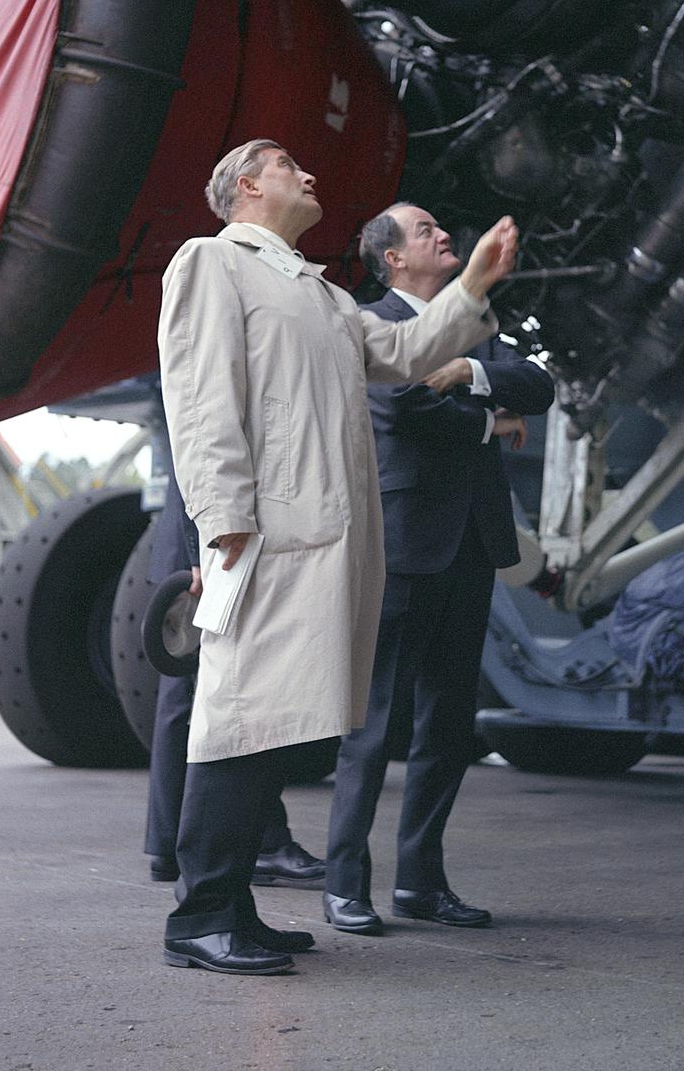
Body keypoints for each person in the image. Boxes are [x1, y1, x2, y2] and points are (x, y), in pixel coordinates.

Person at [157, 139, 518, 976]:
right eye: (288, 164)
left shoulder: (314, 290)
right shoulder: (212, 262)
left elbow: (399, 355)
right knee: (237, 718)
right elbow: (200, 400)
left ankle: (235, 908)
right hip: (261, 533)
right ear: (247, 186)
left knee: (271, 724)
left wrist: (471, 287)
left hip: (310, 538)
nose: (309, 172)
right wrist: (221, 520)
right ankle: (200, 916)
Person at [323, 204, 554, 935]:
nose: (441, 234)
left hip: (470, 544)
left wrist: (472, 373)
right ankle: (344, 884)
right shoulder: (371, 324)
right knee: (373, 722)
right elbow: (401, 409)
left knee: (448, 726)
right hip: (404, 541)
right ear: (391, 259)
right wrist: (492, 420)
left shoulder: (475, 317)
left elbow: (539, 385)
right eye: (423, 231)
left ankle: (420, 883)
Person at [143, 457, 326, 889]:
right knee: (228, 697)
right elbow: (203, 453)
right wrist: (200, 553)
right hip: (209, 553)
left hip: (199, 546)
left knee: (185, 703)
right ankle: (263, 842)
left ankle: (169, 847)